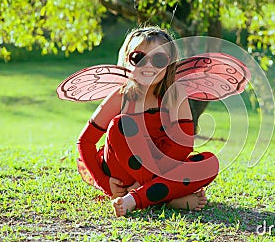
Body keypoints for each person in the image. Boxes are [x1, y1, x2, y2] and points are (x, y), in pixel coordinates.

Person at [76, 26, 219, 217]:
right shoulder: (121, 96)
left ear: (169, 64)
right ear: (127, 59)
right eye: (138, 58)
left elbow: (182, 148)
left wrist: (148, 179)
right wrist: (104, 183)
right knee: (121, 124)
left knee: (209, 163)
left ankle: (137, 198)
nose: (149, 66)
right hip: (122, 175)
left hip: (161, 167)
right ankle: (166, 198)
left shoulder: (176, 97)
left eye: (159, 59)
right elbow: (85, 142)